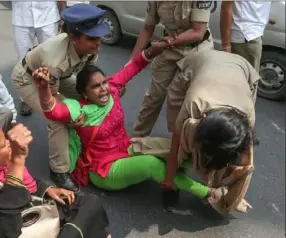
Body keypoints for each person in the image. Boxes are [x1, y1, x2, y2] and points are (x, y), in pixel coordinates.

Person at [33, 42, 225, 210]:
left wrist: (152, 51)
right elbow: (53, 111)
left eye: (104, 83)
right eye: (95, 87)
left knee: (177, 152)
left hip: (126, 148)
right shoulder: (80, 111)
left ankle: (181, 181)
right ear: (84, 94)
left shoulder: (113, 90)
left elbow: (134, 67)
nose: (103, 89)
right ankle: (209, 194)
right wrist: (43, 88)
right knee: (152, 164)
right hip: (105, 169)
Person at [11, 4, 109, 192]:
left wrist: (99, 91)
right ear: (74, 38)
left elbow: (86, 75)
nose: (98, 43)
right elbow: (52, 101)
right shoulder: (54, 59)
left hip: (62, 76)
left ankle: (89, 144)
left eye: (99, 37)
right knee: (58, 121)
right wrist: (70, 115)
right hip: (31, 80)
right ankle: (58, 170)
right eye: (92, 38)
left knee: (92, 97)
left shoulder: (90, 47)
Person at [0, 122, 110, 238]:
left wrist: (47, 190)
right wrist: (17, 161)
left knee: (89, 203)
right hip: (17, 229)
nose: (10, 145)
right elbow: (5, 228)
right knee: (75, 229)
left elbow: (26, 181)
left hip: (32, 212)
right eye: (4, 145)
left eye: (6, 138)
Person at [163, 49, 260, 214]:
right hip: (199, 63)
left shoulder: (247, 118)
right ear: (203, 117)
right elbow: (175, 145)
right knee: (178, 129)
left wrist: (235, 194)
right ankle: (177, 182)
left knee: (228, 150)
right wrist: (169, 179)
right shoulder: (194, 103)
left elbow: (246, 162)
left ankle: (213, 187)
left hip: (241, 69)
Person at [130, 1, 214, 137]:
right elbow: (147, 29)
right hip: (169, 48)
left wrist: (167, 42)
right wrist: (131, 62)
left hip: (196, 49)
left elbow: (198, 32)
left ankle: (182, 144)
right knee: (153, 96)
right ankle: (137, 138)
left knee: (190, 101)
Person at [12, 1, 67, 116]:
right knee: (23, 60)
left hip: (48, 16)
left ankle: (53, 94)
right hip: (22, 18)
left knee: (52, 58)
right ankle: (26, 99)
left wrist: (63, 11)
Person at [220, 1, 271, 71]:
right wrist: (226, 46)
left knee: (248, 78)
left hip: (251, 35)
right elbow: (226, 6)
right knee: (244, 78)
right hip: (244, 36)